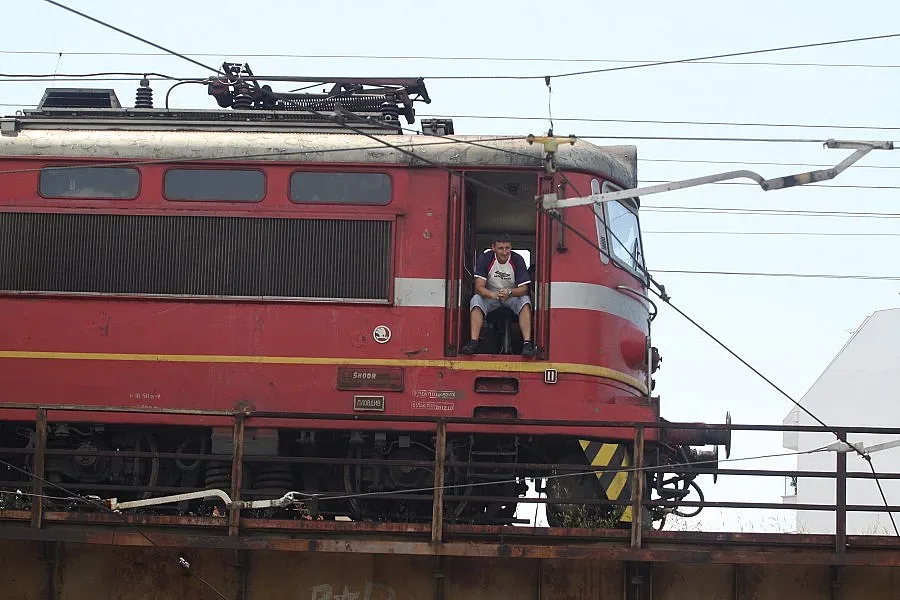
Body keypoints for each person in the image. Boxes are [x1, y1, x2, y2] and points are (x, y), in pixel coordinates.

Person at [459, 234, 534, 357]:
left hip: (511, 296)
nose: (504, 252)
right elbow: (478, 287)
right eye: (501, 248)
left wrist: (509, 292)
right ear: (493, 247)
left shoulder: (517, 259)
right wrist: (493, 295)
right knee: (476, 299)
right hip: (491, 296)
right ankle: (474, 342)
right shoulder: (485, 258)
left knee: (525, 300)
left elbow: (524, 289)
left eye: (507, 248)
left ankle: (527, 343)